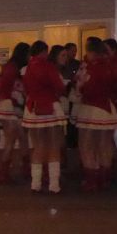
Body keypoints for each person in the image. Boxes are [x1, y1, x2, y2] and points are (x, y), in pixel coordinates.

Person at [76, 38, 117, 191]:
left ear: (90, 50)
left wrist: (79, 89)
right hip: (108, 107)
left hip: (91, 108)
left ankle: (91, 180)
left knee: (86, 144)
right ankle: (105, 178)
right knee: (105, 144)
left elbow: (84, 88)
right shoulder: (113, 65)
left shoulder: (90, 67)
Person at [21, 40, 67, 193]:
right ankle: (54, 184)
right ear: (44, 52)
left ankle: (36, 183)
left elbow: (26, 89)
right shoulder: (48, 66)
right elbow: (59, 86)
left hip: (33, 107)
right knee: (54, 146)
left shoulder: (27, 68)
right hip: (51, 106)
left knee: (38, 147)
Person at [0, 43, 31, 184]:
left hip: (6, 104)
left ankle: (8, 172)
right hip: (11, 105)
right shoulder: (14, 68)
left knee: (18, 138)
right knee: (13, 139)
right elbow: (12, 87)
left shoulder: (10, 66)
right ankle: (7, 173)